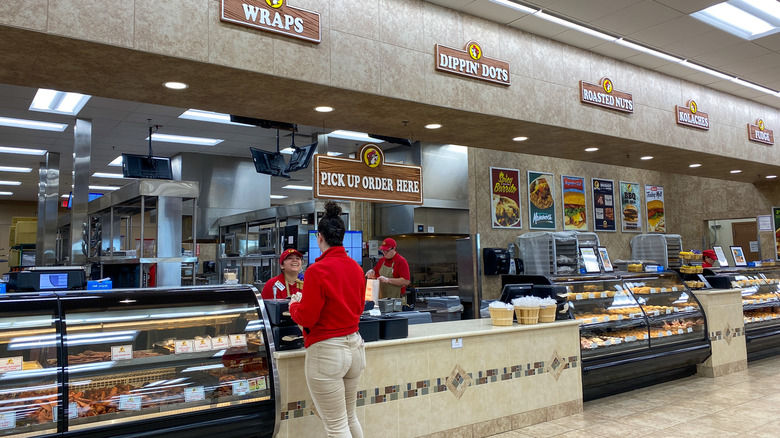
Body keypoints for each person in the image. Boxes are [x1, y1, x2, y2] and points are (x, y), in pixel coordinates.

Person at [289, 201, 366, 438]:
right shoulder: (355, 268)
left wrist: (294, 306)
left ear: (319, 237)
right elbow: (359, 307)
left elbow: (308, 317)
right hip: (355, 348)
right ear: (341, 236)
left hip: (327, 352)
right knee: (349, 417)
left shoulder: (316, 271)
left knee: (336, 426)